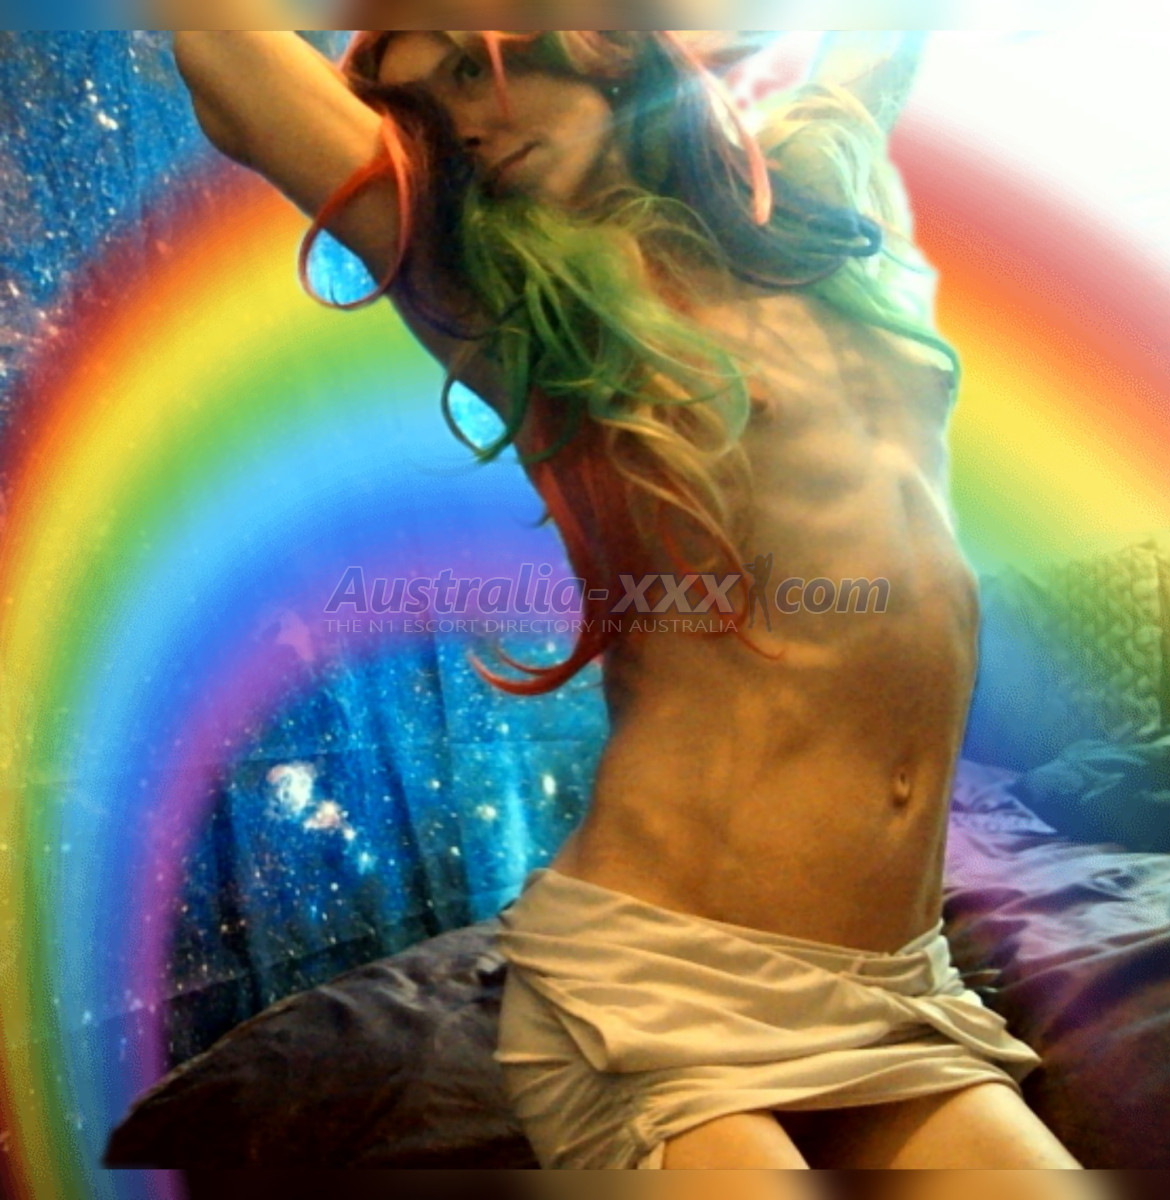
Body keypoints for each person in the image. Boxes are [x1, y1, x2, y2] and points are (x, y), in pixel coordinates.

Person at [168, 16, 1090, 1176]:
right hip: (658, 983)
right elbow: (222, 51)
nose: (465, 124)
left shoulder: (806, 194)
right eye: (429, 109)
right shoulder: (517, 301)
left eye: (476, 69)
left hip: (895, 983)